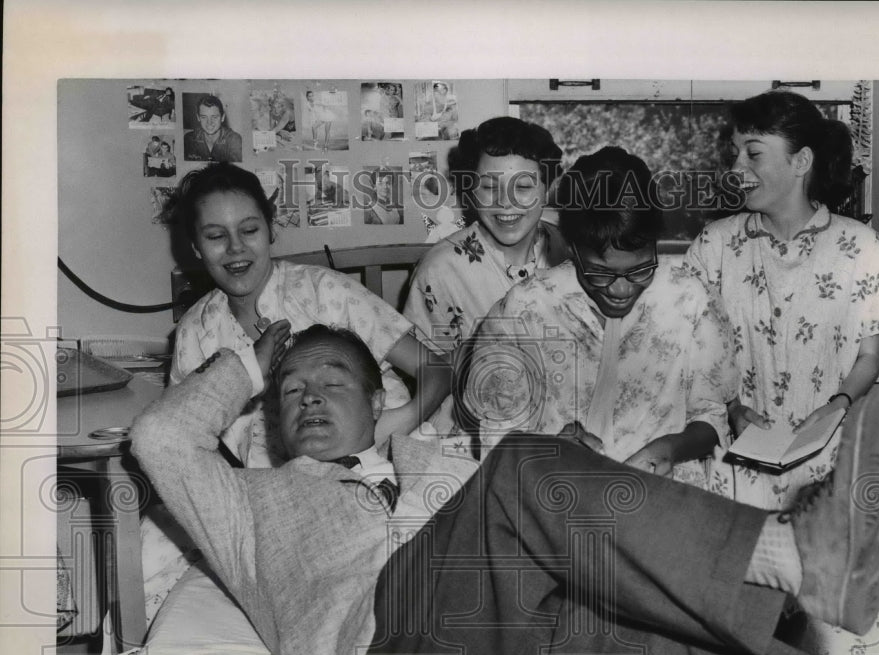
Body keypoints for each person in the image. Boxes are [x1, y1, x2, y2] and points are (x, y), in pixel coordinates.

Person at [130, 324, 879, 655]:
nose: (306, 396)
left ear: (380, 397)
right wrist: (249, 359)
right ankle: (786, 556)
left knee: (677, 645)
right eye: (292, 388)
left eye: (330, 379)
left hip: (520, 645)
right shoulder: (249, 502)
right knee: (520, 470)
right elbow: (161, 439)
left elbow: (561, 524)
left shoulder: (436, 456)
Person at [683, 90, 879, 655]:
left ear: (801, 160)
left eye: (752, 153)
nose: (737, 168)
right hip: (738, 464)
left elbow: (870, 353)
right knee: (735, 621)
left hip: (824, 462)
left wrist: (836, 407)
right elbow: (701, 354)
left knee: (834, 623)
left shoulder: (857, 244)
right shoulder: (716, 244)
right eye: (735, 153)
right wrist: (731, 408)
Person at [464, 146, 736, 488]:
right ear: (574, 250)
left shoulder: (691, 300)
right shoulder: (525, 310)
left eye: (640, 271)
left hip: (666, 494)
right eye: (600, 274)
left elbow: (711, 418)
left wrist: (670, 448)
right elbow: (496, 438)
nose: (621, 291)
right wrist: (552, 448)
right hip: (557, 491)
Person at [166, 163, 451, 468]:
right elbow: (181, 436)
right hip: (280, 494)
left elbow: (437, 369)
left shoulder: (323, 292)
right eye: (215, 236)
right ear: (196, 247)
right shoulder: (194, 333)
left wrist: (396, 426)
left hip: (384, 466)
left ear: (270, 229)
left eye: (249, 230)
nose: (236, 248)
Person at [403, 117, 567, 353]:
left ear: (546, 189)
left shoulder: (572, 253)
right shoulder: (439, 270)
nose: (505, 202)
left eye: (522, 187)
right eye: (489, 187)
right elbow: (428, 371)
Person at [183, 94, 243, 163]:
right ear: (198, 117)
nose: (209, 122)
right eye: (204, 117)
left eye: (214, 117)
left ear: (222, 117)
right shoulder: (189, 139)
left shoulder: (234, 140)